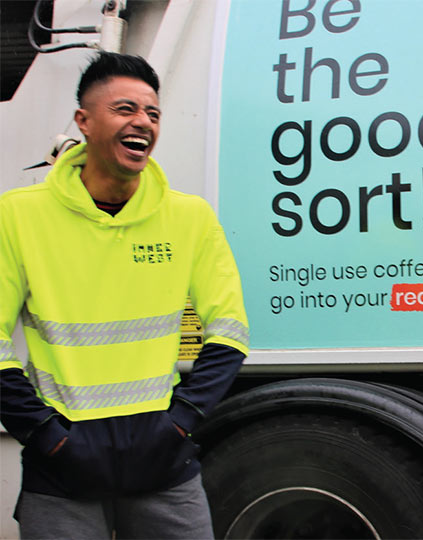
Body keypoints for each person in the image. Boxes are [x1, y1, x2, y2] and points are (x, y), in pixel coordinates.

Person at [0, 52, 249, 539]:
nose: (143, 122)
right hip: (63, 460)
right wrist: (45, 434)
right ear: (84, 121)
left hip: (163, 454)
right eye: (125, 109)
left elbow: (230, 328)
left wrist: (181, 422)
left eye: (153, 114)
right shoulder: (18, 215)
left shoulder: (189, 218)